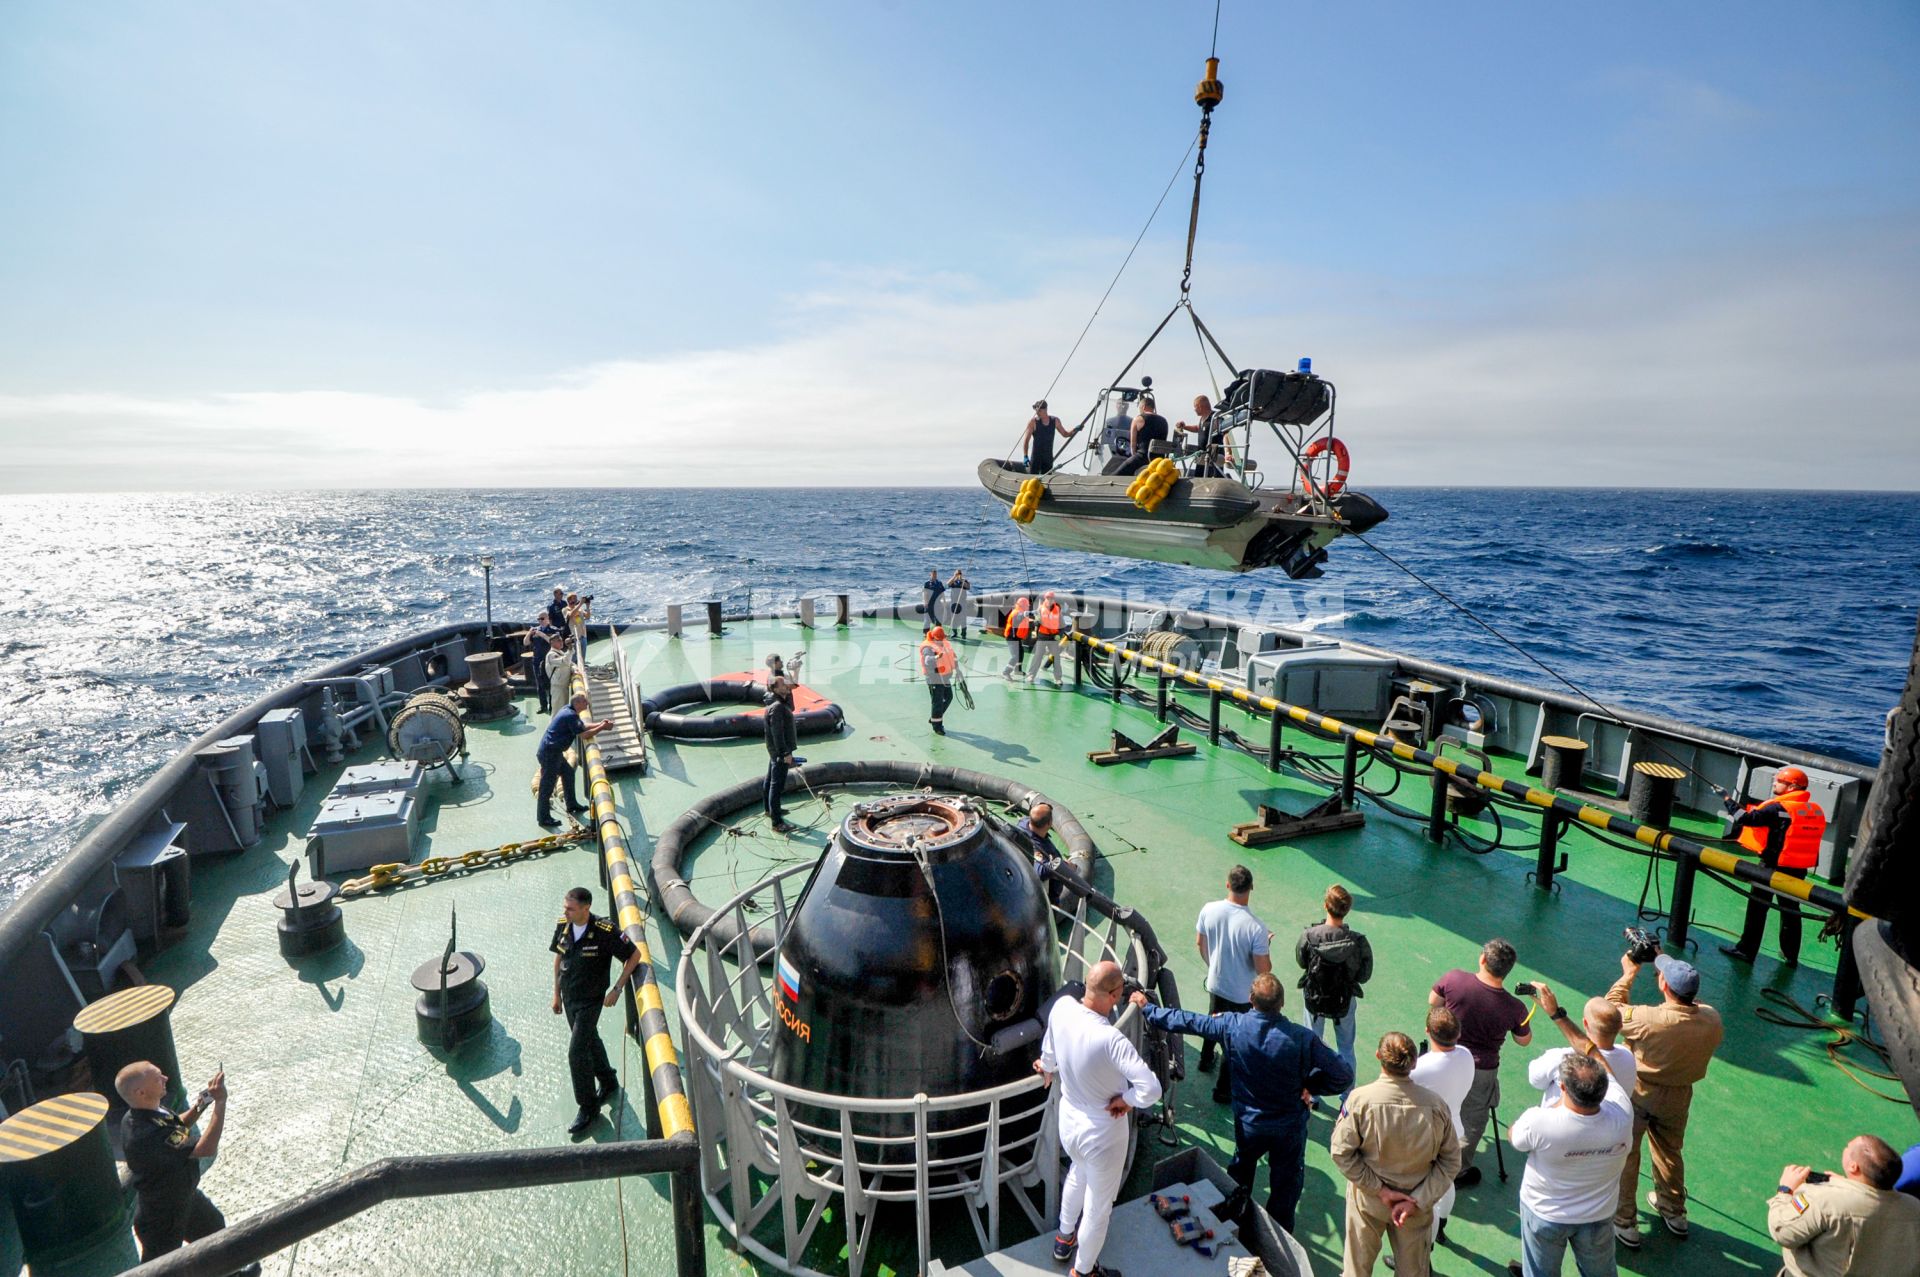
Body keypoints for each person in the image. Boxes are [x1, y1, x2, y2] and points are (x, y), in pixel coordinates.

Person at [1131, 973, 1351, 1231]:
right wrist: (1311, 1086)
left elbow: (1188, 1021)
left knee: (1239, 1176)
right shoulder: (1303, 1038)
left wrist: (1149, 1009)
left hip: (1250, 1124)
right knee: (1286, 1186)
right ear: (1281, 1003)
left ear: (1250, 1000)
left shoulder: (1232, 1026)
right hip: (1288, 1128)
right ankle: (1280, 1237)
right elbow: (1343, 1075)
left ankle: (1232, 1222)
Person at [1035, 960, 1162, 1277]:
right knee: (1098, 1207)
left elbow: (1048, 1052)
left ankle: (1064, 1238)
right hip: (1103, 1130)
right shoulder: (1111, 1040)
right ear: (1116, 993)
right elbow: (1152, 1088)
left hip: (1070, 1119)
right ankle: (1083, 1271)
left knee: (1078, 1171)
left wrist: (1047, 1067)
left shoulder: (1062, 1008)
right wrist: (1128, 1101)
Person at [1605, 950, 1723, 1247]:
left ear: (1664, 987)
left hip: (1640, 1092)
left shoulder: (1649, 1018)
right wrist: (1662, 958)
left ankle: (1625, 1221)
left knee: (1627, 1154)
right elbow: (1691, 1003)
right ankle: (1673, 1211)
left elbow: (1607, 1013)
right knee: (1670, 1152)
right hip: (1679, 1095)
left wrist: (1628, 974)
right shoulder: (1711, 1018)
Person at [1330, 1032, 1462, 1277]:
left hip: (1368, 1202)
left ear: (1379, 1057)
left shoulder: (1360, 1100)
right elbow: (1451, 1161)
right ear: (1413, 1063)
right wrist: (1419, 1200)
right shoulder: (1436, 1106)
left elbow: (1341, 1152)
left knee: (1356, 1271)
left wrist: (1380, 1190)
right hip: (1413, 1207)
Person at [116, 1061, 260, 1273]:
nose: (165, 1078)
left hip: (183, 1196)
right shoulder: (145, 1134)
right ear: (141, 1092)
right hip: (162, 1216)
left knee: (214, 1232)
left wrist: (203, 1103)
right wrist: (220, 1103)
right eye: (158, 1078)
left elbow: (176, 1127)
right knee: (161, 1269)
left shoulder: (148, 1111)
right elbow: (206, 1148)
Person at [1506, 1054, 1633, 1277]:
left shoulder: (1539, 1121)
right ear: (1604, 1090)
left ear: (1563, 1088)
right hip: (1598, 1216)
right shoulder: (1623, 1113)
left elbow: (1514, 1137)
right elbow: (1608, 1071)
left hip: (1545, 1215)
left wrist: (1557, 1104)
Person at [1429, 938, 1532, 1187]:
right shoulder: (1515, 1007)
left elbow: (1434, 1002)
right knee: (1473, 1121)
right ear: (1507, 971)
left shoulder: (1454, 979)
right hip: (1481, 1070)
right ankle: (1457, 1170)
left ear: (1483, 959)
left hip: (1444, 1059)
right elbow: (1524, 1040)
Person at [550, 886, 643, 1134]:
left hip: (591, 1001)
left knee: (576, 1052)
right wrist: (556, 994)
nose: (565, 911)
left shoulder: (605, 931)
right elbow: (559, 958)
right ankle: (608, 1081)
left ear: (585, 908)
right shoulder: (564, 925)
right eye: (565, 907)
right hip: (570, 996)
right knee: (589, 1040)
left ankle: (589, 1107)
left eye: (570, 908)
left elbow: (634, 955)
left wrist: (617, 989)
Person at [1769, 1134, 1920, 1277]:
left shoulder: (1823, 1199)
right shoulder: (1914, 1208)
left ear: (1854, 1167)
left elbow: (1783, 1232)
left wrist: (1785, 1190)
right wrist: (1849, 1186)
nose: (1845, 1148)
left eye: (1848, 1146)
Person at [1720, 766, 1827, 966]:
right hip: (1797, 869)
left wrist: (1727, 800)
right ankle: (1790, 955)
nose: (1774, 783)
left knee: (1757, 909)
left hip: (1771, 868)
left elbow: (1744, 819)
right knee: (1791, 912)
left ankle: (1746, 951)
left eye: (1779, 781)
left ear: (1792, 786)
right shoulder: (1811, 809)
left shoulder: (1778, 808)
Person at [1195, 865, 1273, 1105]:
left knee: (1213, 1020)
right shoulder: (1256, 928)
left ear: (1228, 885)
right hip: (1241, 994)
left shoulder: (1209, 909)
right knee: (1234, 1042)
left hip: (1216, 983)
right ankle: (1223, 1092)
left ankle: (1205, 1059)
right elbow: (1264, 969)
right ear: (1251, 888)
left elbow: (1200, 943)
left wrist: (1213, 967)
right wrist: (1265, 944)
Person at [1297, 883, 1374, 1107]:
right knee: (1346, 1047)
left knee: (1313, 1043)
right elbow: (1364, 975)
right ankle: (1347, 1094)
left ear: (1326, 906)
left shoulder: (1309, 936)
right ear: (1347, 909)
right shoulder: (1358, 942)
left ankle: (1313, 1093)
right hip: (1344, 1000)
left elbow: (1302, 961)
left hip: (1314, 998)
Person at [1409, 1007, 1474, 1248]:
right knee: (1446, 1186)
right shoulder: (1467, 1055)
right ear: (1457, 1034)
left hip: (1429, 1138)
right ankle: (1441, 1229)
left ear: (1428, 1031)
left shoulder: (1421, 1066)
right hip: (1455, 1132)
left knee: (1428, 1199)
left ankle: (1425, 1248)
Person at [1525, 987, 1638, 1107]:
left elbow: (1535, 1080)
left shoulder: (1562, 1059)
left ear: (1585, 1023)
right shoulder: (1628, 1056)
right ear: (1620, 1026)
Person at [536, 693, 611, 828]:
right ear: (577, 703)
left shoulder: (568, 710)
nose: (587, 704)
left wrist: (600, 724)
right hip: (550, 754)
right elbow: (584, 735)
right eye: (584, 702)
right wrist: (602, 728)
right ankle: (543, 818)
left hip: (554, 752)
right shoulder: (570, 715)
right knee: (546, 787)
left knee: (568, 773)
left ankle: (571, 804)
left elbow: (582, 726)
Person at [763, 677, 797, 832]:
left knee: (770, 780)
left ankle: (769, 810)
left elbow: (792, 705)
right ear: (776, 689)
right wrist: (785, 753)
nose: (786, 685)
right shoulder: (776, 708)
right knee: (776, 785)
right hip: (779, 752)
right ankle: (777, 823)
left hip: (775, 751)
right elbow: (777, 734)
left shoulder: (782, 703)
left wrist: (794, 673)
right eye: (783, 684)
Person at [919, 625, 957, 736]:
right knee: (937, 702)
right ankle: (937, 726)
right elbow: (927, 660)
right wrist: (936, 657)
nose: (941, 641)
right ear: (934, 637)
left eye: (942, 638)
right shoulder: (928, 648)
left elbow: (952, 655)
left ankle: (934, 717)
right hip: (934, 678)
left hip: (944, 676)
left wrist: (957, 667)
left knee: (949, 697)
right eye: (939, 639)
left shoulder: (944, 642)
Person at [1118, 394, 1169, 476]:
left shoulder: (1138, 419)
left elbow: (1133, 445)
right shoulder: (1164, 421)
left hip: (1143, 457)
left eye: (1140, 408)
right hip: (1159, 461)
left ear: (1144, 407)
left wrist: (1133, 457)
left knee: (1116, 475)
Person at [1023, 399, 1073, 475]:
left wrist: (1075, 430)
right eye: (1036, 411)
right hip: (1036, 457)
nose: (1037, 413)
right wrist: (1025, 456)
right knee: (1033, 481)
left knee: (1046, 481)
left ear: (1045, 409)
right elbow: (1026, 441)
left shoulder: (1055, 420)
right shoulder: (1033, 422)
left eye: (1039, 411)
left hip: (1048, 458)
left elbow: (1065, 434)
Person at [1028, 591, 1066, 684]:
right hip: (1042, 636)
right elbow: (1035, 623)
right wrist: (1036, 622)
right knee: (1037, 657)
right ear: (1045, 599)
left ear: (1054, 600)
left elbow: (1062, 625)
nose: (1049, 600)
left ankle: (1058, 678)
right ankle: (1031, 675)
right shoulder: (1040, 609)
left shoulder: (1057, 610)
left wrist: (1059, 635)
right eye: (1048, 598)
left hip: (1053, 638)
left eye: (1051, 598)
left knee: (1056, 658)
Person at [528, 613, 562, 713]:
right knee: (540, 685)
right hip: (537, 661)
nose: (540, 621)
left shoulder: (554, 630)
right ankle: (543, 706)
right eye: (538, 619)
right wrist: (529, 634)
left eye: (542, 618)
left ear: (547, 619)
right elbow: (525, 642)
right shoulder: (535, 631)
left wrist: (542, 635)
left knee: (552, 684)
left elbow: (553, 643)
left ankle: (552, 705)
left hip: (550, 661)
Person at [1002, 596, 1033, 679]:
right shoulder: (1016, 613)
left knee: (1021, 652)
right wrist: (1030, 613)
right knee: (1015, 656)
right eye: (1026, 606)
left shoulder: (1020, 611)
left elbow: (1024, 619)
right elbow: (1020, 617)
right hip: (1011, 638)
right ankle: (1006, 672)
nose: (1027, 607)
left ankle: (1017, 670)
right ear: (1023, 606)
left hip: (1017, 637)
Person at [1098, 398, 1133, 470]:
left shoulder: (1133, 422)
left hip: (1128, 453)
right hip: (1112, 454)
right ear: (1116, 405)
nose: (1122, 406)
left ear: (1128, 406)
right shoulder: (1109, 421)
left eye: (1124, 404)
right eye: (1120, 404)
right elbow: (1106, 440)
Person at [544, 631, 574, 713]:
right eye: (558, 641)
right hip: (558, 688)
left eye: (561, 640)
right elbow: (565, 661)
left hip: (563, 686)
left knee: (564, 710)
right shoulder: (552, 655)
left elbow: (570, 663)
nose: (561, 642)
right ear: (552, 642)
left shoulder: (560, 652)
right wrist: (570, 648)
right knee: (558, 711)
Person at [944, 568, 972, 638]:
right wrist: (954, 577)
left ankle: (963, 633)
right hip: (954, 602)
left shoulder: (965, 581)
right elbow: (947, 584)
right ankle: (954, 632)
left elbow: (968, 587)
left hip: (962, 602)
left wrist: (962, 581)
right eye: (957, 573)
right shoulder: (953, 582)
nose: (958, 575)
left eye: (959, 573)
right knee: (954, 618)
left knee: (963, 618)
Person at [920, 568, 945, 634]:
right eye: (933, 574)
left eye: (935, 574)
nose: (934, 575)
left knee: (938, 619)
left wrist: (944, 602)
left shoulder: (939, 583)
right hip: (929, 604)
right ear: (930, 574)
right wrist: (925, 602)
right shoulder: (927, 583)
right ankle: (926, 634)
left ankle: (938, 633)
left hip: (937, 604)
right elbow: (924, 593)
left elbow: (942, 593)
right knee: (927, 620)